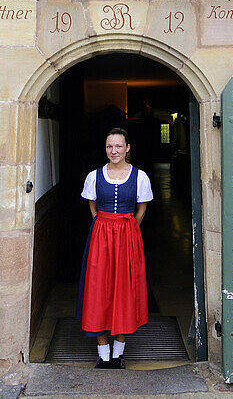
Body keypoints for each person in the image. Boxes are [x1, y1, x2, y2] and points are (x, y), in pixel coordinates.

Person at [77, 127, 153, 368]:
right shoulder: (94, 176)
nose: (114, 151)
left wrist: (127, 228)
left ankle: (118, 352)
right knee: (98, 289)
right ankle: (103, 353)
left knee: (124, 289)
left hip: (128, 236)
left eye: (119, 146)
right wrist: (105, 225)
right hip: (101, 236)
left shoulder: (140, 177)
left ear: (127, 148)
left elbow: (141, 208)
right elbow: (93, 207)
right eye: (110, 146)